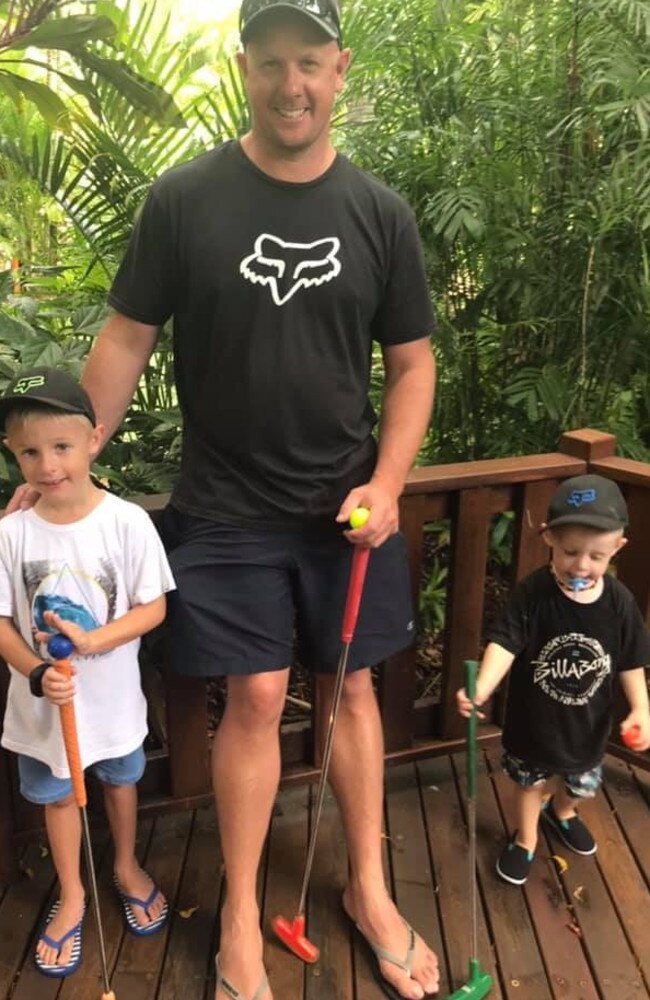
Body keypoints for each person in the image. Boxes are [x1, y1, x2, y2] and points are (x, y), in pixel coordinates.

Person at [8, 2, 439, 997]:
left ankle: (368, 887)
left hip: (343, 509)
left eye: (309, 64)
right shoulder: (185, 199)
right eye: (270, 63)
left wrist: (387, 482)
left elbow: (411, 365)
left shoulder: (378, 213)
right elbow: (124, 337)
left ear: (337, 72)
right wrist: (61, 467)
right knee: (249, 694)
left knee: (352, 688)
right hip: (225, 503)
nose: (290, 84)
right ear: (243, 68)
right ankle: (240, 907)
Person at [0, 367, 175, 977]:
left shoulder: (126, 521)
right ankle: (71, 891)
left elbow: (154, 607)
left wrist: (95, 639)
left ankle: (126, 865)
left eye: (62, 446)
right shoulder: (11, 534)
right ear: (12, 454)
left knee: (121, 781)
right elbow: (0, 623)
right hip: (43, 710)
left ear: (94, 439)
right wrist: (33, 672)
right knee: (56, 796)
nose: (48, 464)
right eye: (30, 450)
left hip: (113, 705)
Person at [457, 474, 650, 887]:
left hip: (588, 727)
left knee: (582, 785)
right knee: (528, 783)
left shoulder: (619, 602)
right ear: (548, 538)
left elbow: (631, 661)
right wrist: (482, 687)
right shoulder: (533, 593)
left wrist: (641, 709)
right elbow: (505, 643)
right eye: (570, 551)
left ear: (618, 548)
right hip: (534, 724)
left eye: (597, 556)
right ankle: (525, 839)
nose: (581, 564)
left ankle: (562, 811)